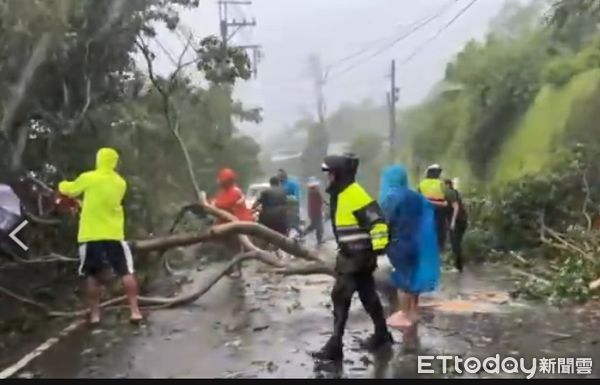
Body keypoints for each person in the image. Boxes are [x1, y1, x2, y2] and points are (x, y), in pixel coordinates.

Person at [312, 153, 393, 362]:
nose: (327, 178)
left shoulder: (353, 194)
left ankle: (335, 346)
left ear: (338, 174)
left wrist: (376, 249)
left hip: (355, 258)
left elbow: (378, 222)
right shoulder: (343, 194)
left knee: (340, 297)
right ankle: (382, 335)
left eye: (330, 174)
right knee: (368, 296)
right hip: (355, 256)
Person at [58, 147, 142, 325]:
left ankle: (95, 315)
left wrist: (61, 185)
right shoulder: (120, 183)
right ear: (115, 163)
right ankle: (135, 311)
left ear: (98, 160)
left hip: (91, 235)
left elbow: (69, 190)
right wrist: (84, 204)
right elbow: (103, 201)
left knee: (92, 274)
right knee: (125, 271)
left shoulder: (89, 177)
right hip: (113, 234)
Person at [379, 164, 440, 330]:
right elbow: (429, 213)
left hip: (400, 243)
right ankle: (413, 311)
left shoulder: (391, 197)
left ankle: (403, 314)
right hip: (417, 243)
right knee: (414, 277)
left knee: (402, 280)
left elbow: (385, 220)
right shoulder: (416, 196)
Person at [210, 168, 254, 278]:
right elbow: (217, 202)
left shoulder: (234, 191)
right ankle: (231, 268)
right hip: (229, 224)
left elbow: (222, 204)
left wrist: (213, 204)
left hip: (236, 224)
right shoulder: (226, 191)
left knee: (235, 248)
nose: (218, 182)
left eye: (221, 180)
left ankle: (236, 269)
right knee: (229, 248)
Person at [418, 164, 449, 250]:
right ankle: (439, 247)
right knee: (440, 230)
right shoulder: (441, 183)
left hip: (426, 209)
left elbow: (418, 195)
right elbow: (446, 195)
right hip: (439, 209)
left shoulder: (422, 183)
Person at [444, 179, 468, 272]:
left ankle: (458, 267)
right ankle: (458, 265)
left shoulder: (450, 193)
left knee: (455, 244)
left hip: (458, 222)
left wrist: (453, 221)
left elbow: (456, 207)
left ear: (447, 185)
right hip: (462, 220)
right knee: (456, 243)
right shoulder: (454, 192)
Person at [277, 169, 302, 238]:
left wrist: (296, 205)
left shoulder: (292, 183)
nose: (279, 176)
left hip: (292, 206)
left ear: (284, 175)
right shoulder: (279, 185)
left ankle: (300, 234)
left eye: (280, 175)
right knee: (286, 223)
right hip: (283, 207)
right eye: (278, 175)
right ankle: (286, 237)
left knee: (292, 223)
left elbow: (297, 196)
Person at [303, 177, 324, 247]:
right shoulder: (315, 192)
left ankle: (302, 234)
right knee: (318, 227)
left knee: (314, 226)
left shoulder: (311, 192)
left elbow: (320, 202)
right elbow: (318, 202)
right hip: (316, 213)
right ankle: (319, 242)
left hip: (314, 213)